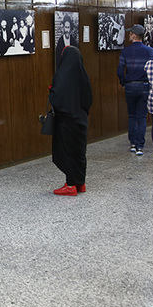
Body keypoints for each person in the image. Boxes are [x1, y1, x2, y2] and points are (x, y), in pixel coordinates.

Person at [49, 46, 93, 196]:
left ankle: (70, 184)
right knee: (79, 152)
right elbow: (88, 99)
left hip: (66, 121)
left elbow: (56, 99)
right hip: (81, 120)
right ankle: (80, 183)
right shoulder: (83, 76)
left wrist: (51, 91)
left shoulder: (61, 76)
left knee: (67, 152)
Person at [117, 24, 153, 155]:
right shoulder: (150, 51)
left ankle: (133, 143)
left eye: (130, 33)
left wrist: (123, 82)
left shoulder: (125, 51)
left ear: (134, 35)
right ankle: (140, 146)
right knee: (142, 117)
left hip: (130, 85)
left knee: (132, 115)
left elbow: (119, 70)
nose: (129, 35)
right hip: (145, 85)